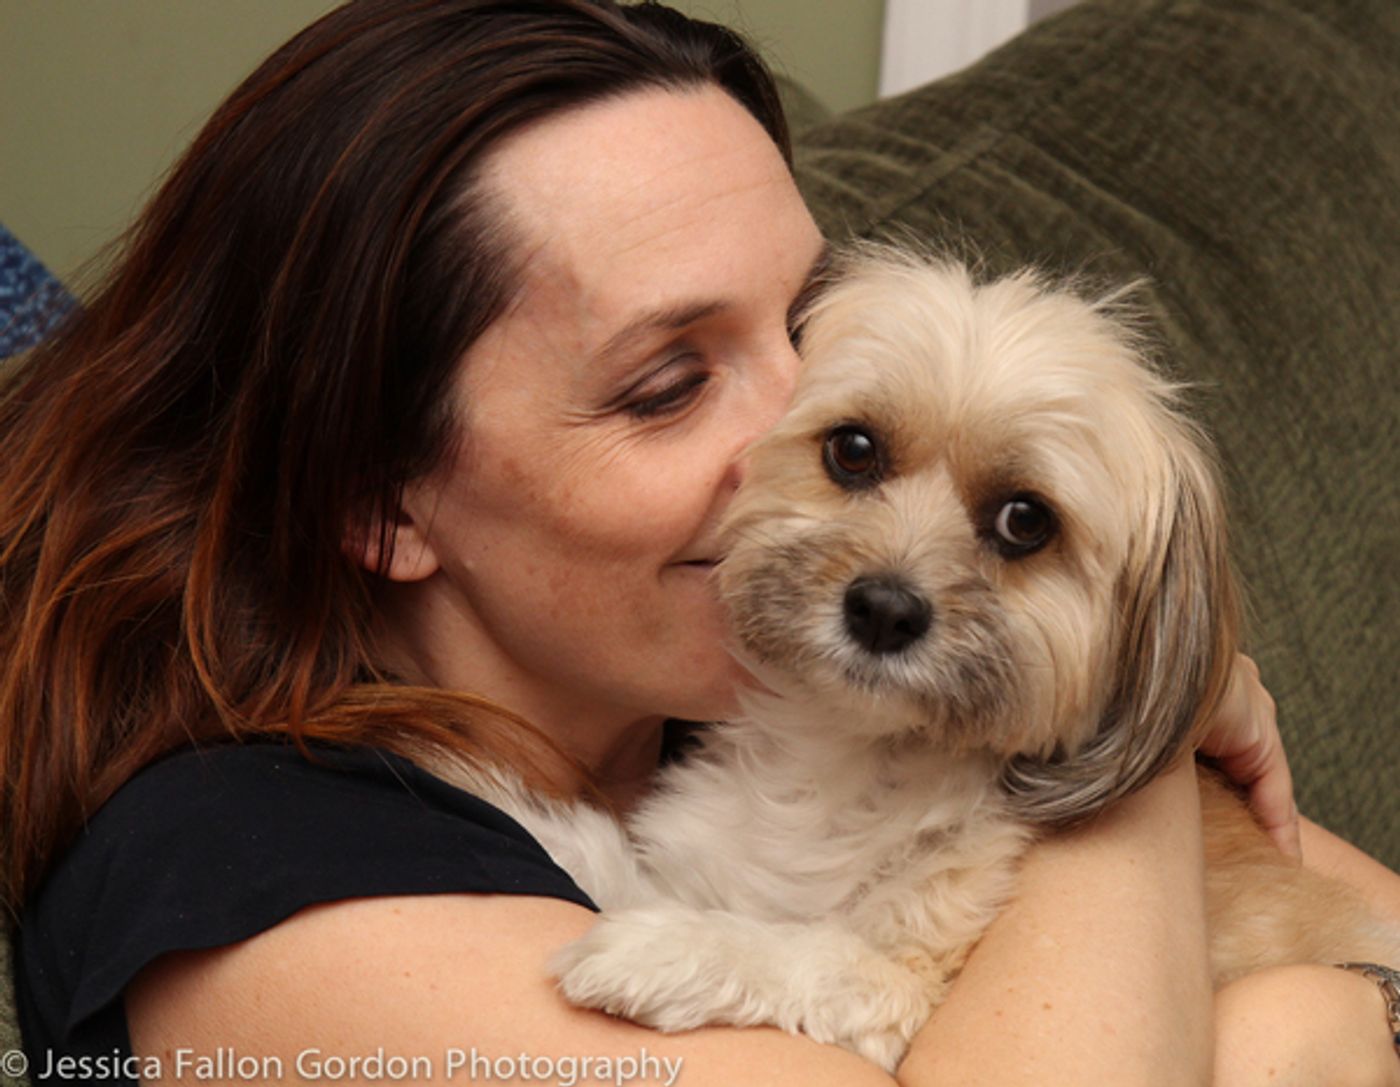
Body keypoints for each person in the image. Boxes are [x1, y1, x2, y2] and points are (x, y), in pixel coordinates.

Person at [2, 2, 1397, 1085]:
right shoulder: (267, 910)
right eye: (664, 385)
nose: (792, 437)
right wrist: (1137, 740)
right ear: (377, 498)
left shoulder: (729, 682)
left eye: (804, 328)